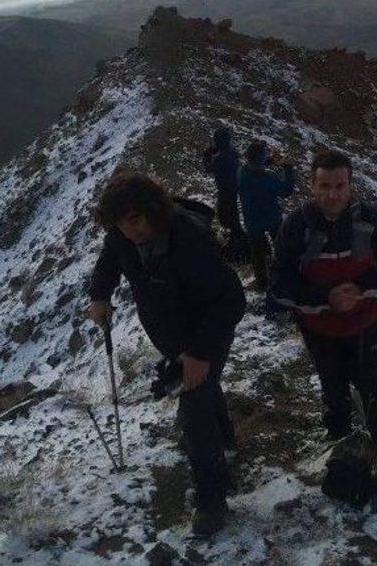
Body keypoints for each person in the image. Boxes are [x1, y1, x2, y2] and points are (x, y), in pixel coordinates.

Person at [89, 172, 246, 537]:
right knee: (204, 393)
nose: (131, 230)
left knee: (192, 411)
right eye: (122, 223)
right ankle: (225, 441)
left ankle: (212, 500)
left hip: (208, 332)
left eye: (136, 219)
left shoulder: (189, 239)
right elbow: (111, 257)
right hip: (171, 336)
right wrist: (99, 294)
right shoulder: (122, 236)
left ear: (152, 210)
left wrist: (199, 354)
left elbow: (230, 300)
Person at [269, 149, 377, 477]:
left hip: (369, 325)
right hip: (321, 330)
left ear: (350, 185)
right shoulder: (296, 227)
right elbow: (279, 285)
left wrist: (361, 288)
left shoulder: (370, 220)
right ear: (312, 185)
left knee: (373, 386)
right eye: (324, 186)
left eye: (339, 185)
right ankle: (340, 445)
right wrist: (326, 298)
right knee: (333, 390)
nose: (332, 194)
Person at [238, 140, 295, 290]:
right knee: (281, 247)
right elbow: (286, 191)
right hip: (272, 219)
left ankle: (262, 283)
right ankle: (284, 275)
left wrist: (269, 161)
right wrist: (288, 168)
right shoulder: (267, 179)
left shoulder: (241, 172)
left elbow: (255, 168)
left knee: (257, 254)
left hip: (251, 220)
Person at [202, 126, 247, 261]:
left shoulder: (220, 157)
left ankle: (240, 247)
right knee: (231, 216)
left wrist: (206, 156)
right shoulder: (232, 152)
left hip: (225, 190)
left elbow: (208, 169)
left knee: (227, 218)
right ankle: (238, 243)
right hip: (232, 188)